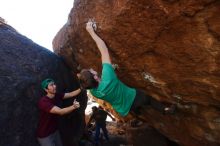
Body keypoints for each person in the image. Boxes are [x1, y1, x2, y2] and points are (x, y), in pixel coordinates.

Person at [78, 20, 175, 117]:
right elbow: (103, 49)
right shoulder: (108, 76)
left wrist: (111, 69)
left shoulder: (93, 91)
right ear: (95, 77)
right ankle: (165, 110)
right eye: (90, 71)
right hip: (134, 97)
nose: (91, 69)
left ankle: (138, 113)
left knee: (137, 108)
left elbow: (94, 82)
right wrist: (91, 32)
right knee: (148, 99)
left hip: (125, 108)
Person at [37, 78, 82, 146]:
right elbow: (60, 112)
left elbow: (71, 94)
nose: (54, 86)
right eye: (51, 85)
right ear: (46, 89)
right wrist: (74, 106)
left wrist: (82, 88)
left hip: (54, 131)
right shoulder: (43, 102)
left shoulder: (57, 95)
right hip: (45, 135)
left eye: (54, 84)